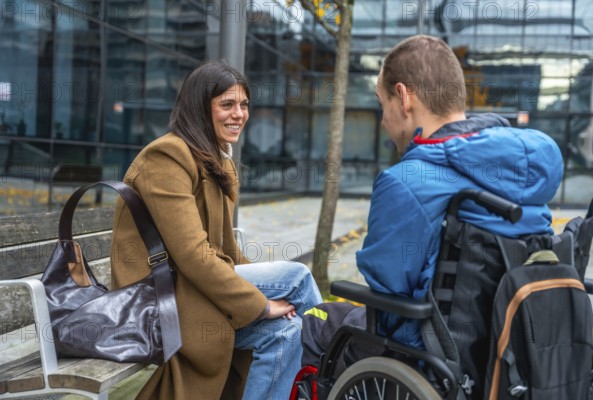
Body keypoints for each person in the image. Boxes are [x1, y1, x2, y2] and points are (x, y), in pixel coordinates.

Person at [301, 34, 563, 365]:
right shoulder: (524, 171)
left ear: (403, 98)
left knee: (314, 319)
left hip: (426, 350)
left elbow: (386, 285)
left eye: (383, 106)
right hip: (514, 348)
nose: (383, 121)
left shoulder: (407, 181)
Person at [110, 60, 322, 400]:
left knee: (287, 331)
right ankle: (327, 373)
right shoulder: (167, 157)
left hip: (195, 286)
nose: (239, 114)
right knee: (297, 277)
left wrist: (261, 299)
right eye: (227, 104)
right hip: (161, 295)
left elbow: (227, 250)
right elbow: (193, 254)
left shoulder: (216, 160)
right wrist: (260, 304)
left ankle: (318, 374)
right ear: (199, 108)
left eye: (244, 105)